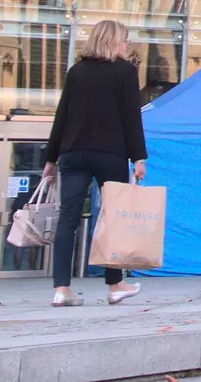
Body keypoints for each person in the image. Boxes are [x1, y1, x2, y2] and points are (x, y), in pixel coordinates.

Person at [42, 19, 147, 308]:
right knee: (114, 218)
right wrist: (139, 156)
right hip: (110, 154)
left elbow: (61, 116)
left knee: (68, 218)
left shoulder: (77, 72)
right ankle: (114, 284)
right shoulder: (125, 72)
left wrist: (50, 159)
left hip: (73, 154)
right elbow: (131, 117)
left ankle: (61, 289)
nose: (127, 46)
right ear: (114, 41)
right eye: (125, 40)